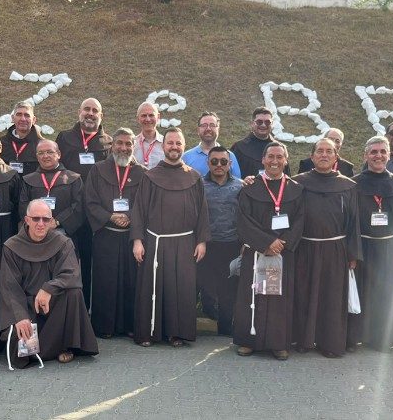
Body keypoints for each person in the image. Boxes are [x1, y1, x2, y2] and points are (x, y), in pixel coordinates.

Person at [130, 127, 211, 347]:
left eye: (178, 143)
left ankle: (178, 333)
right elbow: (139, 210)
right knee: (152, 287)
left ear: (184, 146)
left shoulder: (194, 178)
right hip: (156, 241)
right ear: (163, 146)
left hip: (185, 242)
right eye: (170, 143)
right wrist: (138, 240)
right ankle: (149, 332)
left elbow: (202, 211)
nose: (174, 147)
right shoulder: (150, 176)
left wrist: (201, 240)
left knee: (181, 288)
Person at [0, 200, 99, 367]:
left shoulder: (63, 242)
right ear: (27, 220)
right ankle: (52, 348)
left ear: (52, 221)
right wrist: (20, 317)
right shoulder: (11, 246)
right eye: (36, 219)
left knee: (74, 292)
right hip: (27, 307)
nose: (41, 224)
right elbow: (9, 287)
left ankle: (67, 346)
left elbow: (72, 274)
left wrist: (48, 288)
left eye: (46, 219)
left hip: (54, 305)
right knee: (21, 355)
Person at [233, 142, 304, 360]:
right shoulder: (249, 189)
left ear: (286, 160)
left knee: (278, 297)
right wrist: (265, 242)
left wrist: (281, 243)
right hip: (257, 253)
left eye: (279, 157)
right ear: (263, 160)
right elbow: (242, 221)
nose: (274, 161)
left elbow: (301, 220)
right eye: (270, 157)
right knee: (253, 295)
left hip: (282, 254)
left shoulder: (296, 189)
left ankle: (278, 343)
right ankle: (248, 341)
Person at [292, 138, 362, 358]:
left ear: (336, 157)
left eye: (328, 151)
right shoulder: (298, 183)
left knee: (333, 297)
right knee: (304, 294)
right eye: (319, 151)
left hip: (335, 249)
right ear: (312, 156)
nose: (324, 155)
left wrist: (353, 254)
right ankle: (303, 340)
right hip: (305, 247)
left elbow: (354, 222)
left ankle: (330, 343)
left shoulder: (348, 186)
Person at [84, 128, 146, 338]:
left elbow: (144, 204)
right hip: (106, 234)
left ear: (134, 146)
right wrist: (110, 216)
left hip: (130, 235)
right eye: (119, 143)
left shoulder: (142, 172)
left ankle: (129, 325)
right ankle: (105, 327)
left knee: (131, 281)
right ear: (112, 146)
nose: (123, 147)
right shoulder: (97, 170)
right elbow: (90, 201)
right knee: (106, 281)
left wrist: (128, 215)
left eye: (128, 144)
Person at [349, 136, 393, 352]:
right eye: (373, 152)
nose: (378, 156)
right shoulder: (353, 184)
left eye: (383, 151)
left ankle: (381, 338)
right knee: (360, 290)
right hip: (362, 244)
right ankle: (356, 336)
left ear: (389, 155)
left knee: (385, 292)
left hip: (388, 246)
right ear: (365, 155)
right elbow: (350, 219)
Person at [56, 98, 109, 308]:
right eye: (86, 109)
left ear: (101, 115)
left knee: (93, 261)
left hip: (96, 212)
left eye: (95, 110)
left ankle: (91, 306)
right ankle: (69, 306)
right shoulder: (65, 138)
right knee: (68, 259)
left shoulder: (108, 142)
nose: (90, 113)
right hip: (70, 209)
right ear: (79, 112)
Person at [196, 146, 243, 333]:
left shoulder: (240, 186)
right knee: (202, 285)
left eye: (223, 161)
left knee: (228, 290)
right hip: (205, 244)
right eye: (214, 161)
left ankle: (225, 328)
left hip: (231, 244)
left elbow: (245, 217)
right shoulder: (199, 185)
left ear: (229, 164)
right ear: (208, 163)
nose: (219, 165)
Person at [18, 139, 84, 239]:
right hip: (36, 231)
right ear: (37, 157)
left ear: (58, 154)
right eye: (41, 153)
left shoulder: (73, 178)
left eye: (49, 152)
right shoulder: (28, 180)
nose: (45, 156)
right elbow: (24, 206)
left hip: (65, 233)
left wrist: (58, 221)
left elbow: (79, 205)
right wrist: (40, 222)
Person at [231, 107, 288, 177]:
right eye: (259, 122)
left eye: (267, 122)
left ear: (272, 124)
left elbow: (286, 177)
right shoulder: (239, 147)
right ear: (252, 123)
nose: (263, 125)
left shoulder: (279, 149)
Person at [183, 111, 241, 178]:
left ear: (218, 129)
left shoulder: (230, 156)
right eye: (204, 125)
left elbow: (237, 185)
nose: (208, 129)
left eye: (212, 125)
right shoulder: (186, 157)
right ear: (198, 130)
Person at [0, 101, 46, 175]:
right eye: (19, 115)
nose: (23, 119)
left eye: (27, 115)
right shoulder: (1, 143)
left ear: (34, 120)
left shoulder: (42, 145)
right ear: (12, 118)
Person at [133, 102, 164, 169]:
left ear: (158, 117)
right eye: (144, 115)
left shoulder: (166, 144)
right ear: (138, 119)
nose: (148, 119)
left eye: (151, 115)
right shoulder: (132, 145)